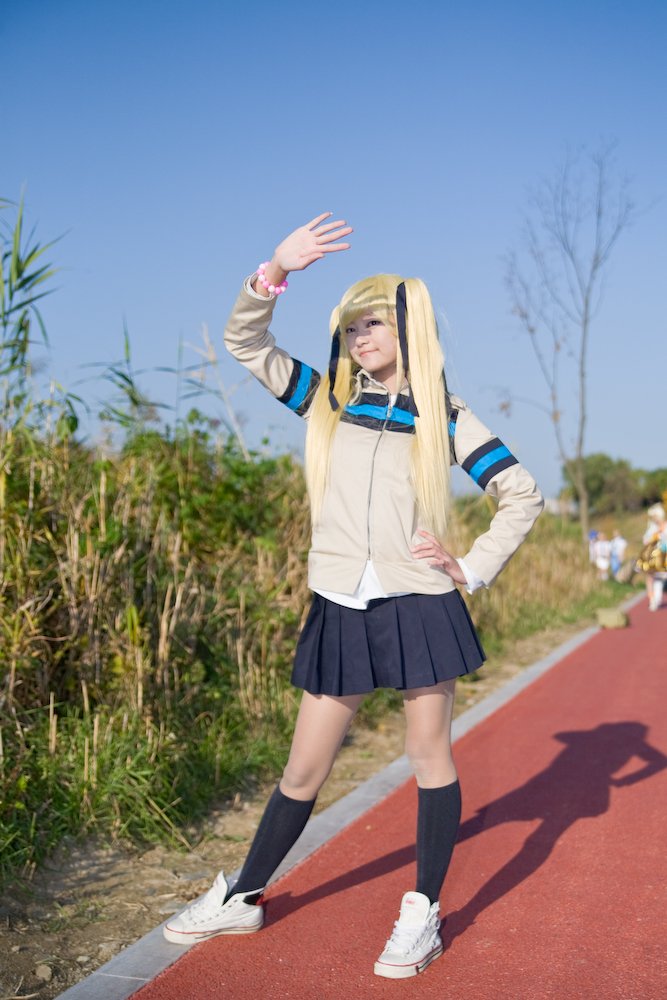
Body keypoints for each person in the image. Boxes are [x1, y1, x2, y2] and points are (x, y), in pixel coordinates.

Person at [163, 213, 544, 978]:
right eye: (350, 327)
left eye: (373, 324)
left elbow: (520, 493)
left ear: (408, 329)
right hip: (339, 603)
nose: (358, 337)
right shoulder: (328, 400)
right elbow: (245, 343)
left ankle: (422, 911)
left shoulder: (445, 418)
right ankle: (243, 896)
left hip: (418, 604)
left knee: (426, 756)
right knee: (302, 769)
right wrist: (274, 270)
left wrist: (469, 566)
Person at [640, 504, 667, 611]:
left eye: (655, 516)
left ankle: (657, 598)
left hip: (664, 556)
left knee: (660, 577)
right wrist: (653, 537)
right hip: (653, 556)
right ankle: (653, 599)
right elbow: (645, 541)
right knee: (651, 577)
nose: (654, 519)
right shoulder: (652, 527)